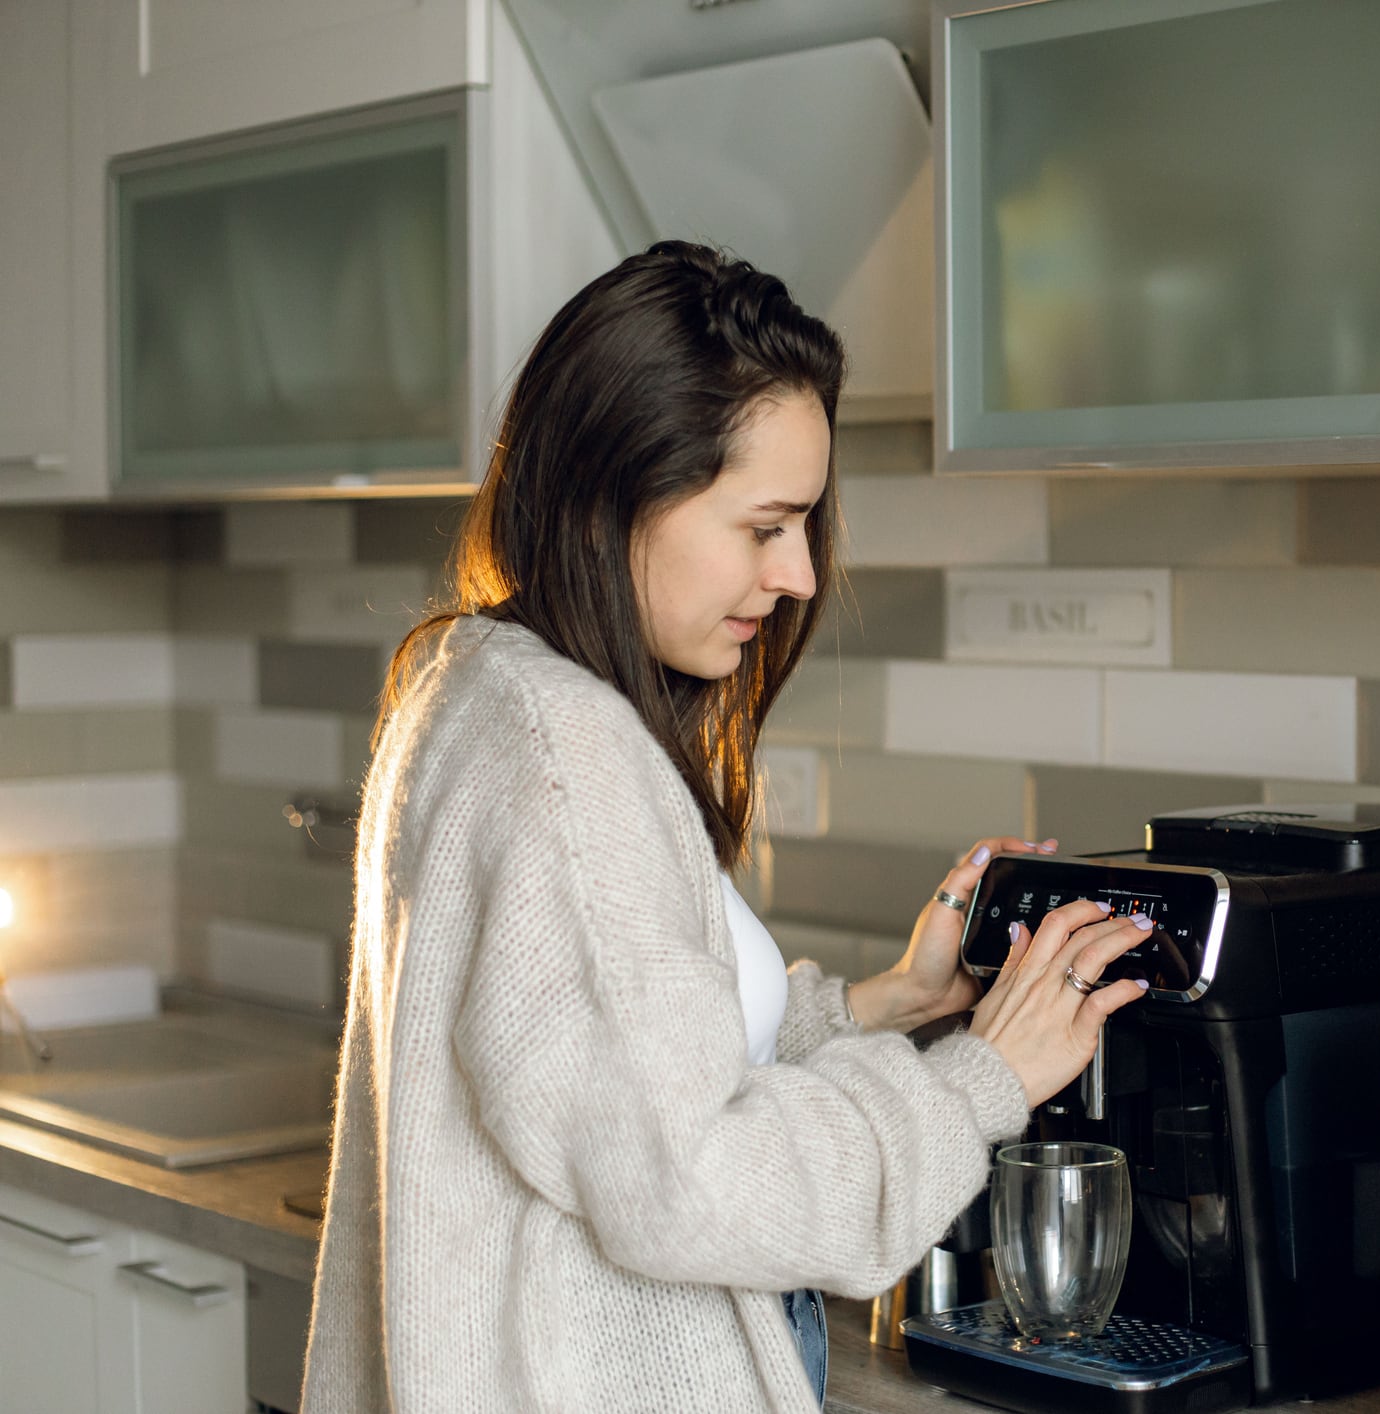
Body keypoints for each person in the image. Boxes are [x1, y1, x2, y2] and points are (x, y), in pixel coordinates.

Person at [301, 241, 1150, 1413]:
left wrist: (882, 1005)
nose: (800, 573)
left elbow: (615, 1065)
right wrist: (981, 1078)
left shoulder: (477, 684)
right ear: (618, 497)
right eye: (765, 526)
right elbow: (688, 1177)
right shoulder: (564, 752)